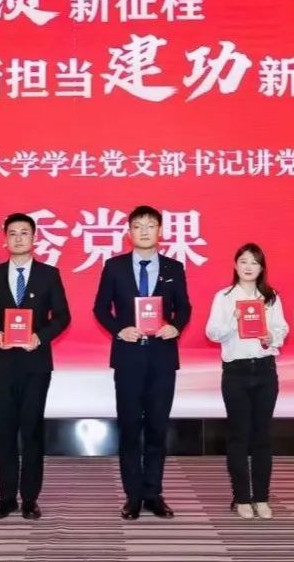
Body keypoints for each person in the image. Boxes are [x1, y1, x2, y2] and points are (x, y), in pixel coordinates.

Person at [0, 212, 71, 520]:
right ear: (4, 240)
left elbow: (63, 316)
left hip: (36, 364)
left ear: (34, 238)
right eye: (12, 233)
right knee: (4, 431)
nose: (18, 238)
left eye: (24, 233)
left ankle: (29, 498)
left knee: (31, 430)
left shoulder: (49, 275)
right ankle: (6, 498)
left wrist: (40, 337)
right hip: (1, 364)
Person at [93, 205, 191, 520]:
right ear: (129, 232)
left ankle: (153, 493)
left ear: (160, 231)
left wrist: (175, 326)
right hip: (129, 357)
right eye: (138, 226)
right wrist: (118, 330)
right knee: (130, 426)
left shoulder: (174, 267)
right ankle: (133, 495)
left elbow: (184, 308)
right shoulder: (115, 266)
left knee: (157, 427)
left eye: (150, 225)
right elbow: (100, 308)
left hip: (162, 357)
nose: (144, 231)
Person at [205, 243, 288, 520]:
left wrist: (271, 337)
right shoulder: (224, 297)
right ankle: (241, 497)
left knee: (262, 436)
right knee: (239, 435)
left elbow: (282, 328)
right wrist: (234, 320)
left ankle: (261, 497)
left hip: (265, 370)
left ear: (262, 267)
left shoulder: (271, 297)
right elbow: (212, 332)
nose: (248, 267)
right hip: (236, 373)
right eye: (243, 261)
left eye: (254, 262)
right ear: (235, 265)